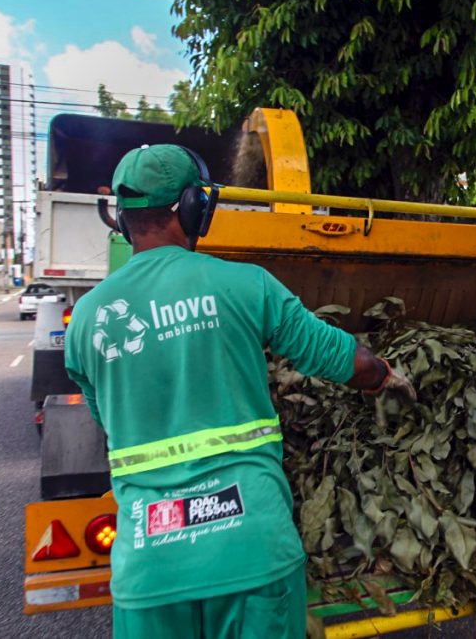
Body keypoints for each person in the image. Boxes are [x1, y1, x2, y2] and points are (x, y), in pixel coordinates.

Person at [65, 144, 416, 639]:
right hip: (252, 550)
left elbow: (107, 419)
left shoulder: (86, 320)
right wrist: (385, 377)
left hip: (150, 566)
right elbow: (335, 356)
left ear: (121, 220)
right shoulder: (245, 285)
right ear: (192, 207)